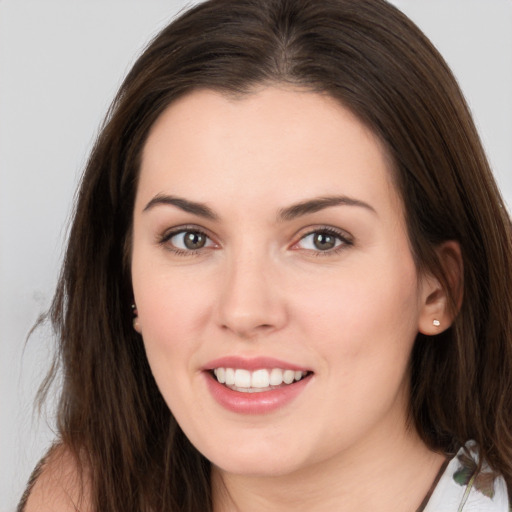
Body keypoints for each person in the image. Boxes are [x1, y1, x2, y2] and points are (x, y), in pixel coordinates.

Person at [18, 0, 512, 511]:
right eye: (190, 238)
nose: (244, 310)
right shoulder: (85, 495)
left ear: (438, 288)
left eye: (322, 239)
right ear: (127, 279)